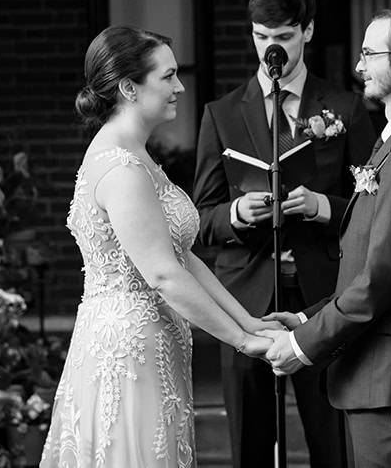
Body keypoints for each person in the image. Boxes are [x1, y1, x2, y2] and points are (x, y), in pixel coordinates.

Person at [40, 26, 278, 468]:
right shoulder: (122, 169)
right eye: (168, 77)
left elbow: (182, 258)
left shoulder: (140, 156)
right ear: (130, 87)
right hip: (128, 353)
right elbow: (164, 276)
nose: (180, 87)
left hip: (155, 344)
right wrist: (242, 342)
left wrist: (249, 321)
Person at [263, 5, 391, 468]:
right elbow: (366, 266)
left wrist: (302, 346)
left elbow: (380, 279)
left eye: (370, 54)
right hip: (374, 375)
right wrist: (304, 317)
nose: (358, 67)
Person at [193, 0, 376, 468]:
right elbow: (200, 218)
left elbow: (376, 208)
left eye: (284, 36)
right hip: (245, 300)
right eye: (261, 36)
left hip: (321, 297)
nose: (271, 48)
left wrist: (324, 207)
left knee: (331, 440)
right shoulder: (222, 113)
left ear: (308, 31)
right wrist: (234, 213)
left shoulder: (346, 108)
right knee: (250, 445)